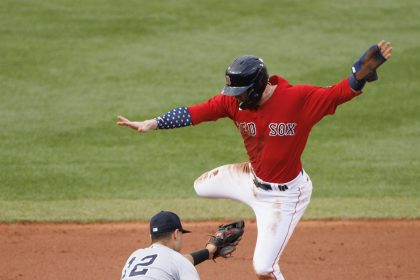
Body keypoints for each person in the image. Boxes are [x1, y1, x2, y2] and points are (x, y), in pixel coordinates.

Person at [117, 41, 393, 279]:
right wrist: (154, 123)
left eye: (241, 94)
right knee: (200, 186)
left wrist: (358, 77)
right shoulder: (232, 103)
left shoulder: (298, 99)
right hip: (251, 179)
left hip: (284, 197)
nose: (235, 100)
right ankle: (252, 181)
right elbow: (195, 113)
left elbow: (338, 93)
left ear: (258, 86)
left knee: (263, 267)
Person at [121, 211, 242, 280]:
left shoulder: (135, 256)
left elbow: (171, 263)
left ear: (151, 237)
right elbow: (178, 262)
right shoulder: (177, 261)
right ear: (176, 234)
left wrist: (207, 252)